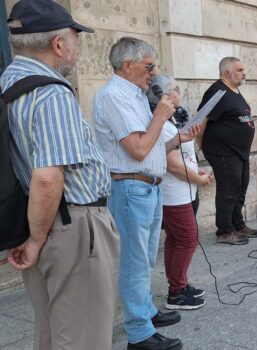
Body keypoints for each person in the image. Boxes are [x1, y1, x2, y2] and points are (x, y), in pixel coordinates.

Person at [0, 1, 118, 349]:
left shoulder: (8, 82)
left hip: (37, 219)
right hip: (71, 224)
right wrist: (36, 240)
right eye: (75, 40)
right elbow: (48, 177)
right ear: (58, 44)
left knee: (54, 331)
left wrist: (32, 235)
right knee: (84, 337)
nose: (77, 51)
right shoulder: (51, 93)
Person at [94, 37, 200, 350]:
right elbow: (137, 149)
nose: (153, 73)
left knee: (144, 258)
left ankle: (147, 312)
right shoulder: (114, 96)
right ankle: (139, 333)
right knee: (134, 261)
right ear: (127, 65)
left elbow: (151, 145)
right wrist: (160, 116)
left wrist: (176, 140)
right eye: (148, 66)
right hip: (130, 187)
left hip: (147, 186)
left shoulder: (137, 95)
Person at [145, 75, 211, 311]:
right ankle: (177, 293)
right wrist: (198, 179)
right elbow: (171, 163)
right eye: (173, 89)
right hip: (174, 193)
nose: (178, 92)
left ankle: (178, 285)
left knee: (176, 239)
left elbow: (183, 155)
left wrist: (197, 170)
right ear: (161, 95)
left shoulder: (171, 120)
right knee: (188, 238)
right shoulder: (160, 123)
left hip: (182, 190)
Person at [197, 57, 257, 245]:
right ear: (227, 73)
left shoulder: (234, 90)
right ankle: (224, 231)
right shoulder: (217, 91)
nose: (244, 73)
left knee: (240, 188)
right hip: (223, 151)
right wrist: (202, 146)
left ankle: (238, 224)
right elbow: (201, 120)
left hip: (239, 151)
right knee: (228, 190)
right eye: (239, 70)